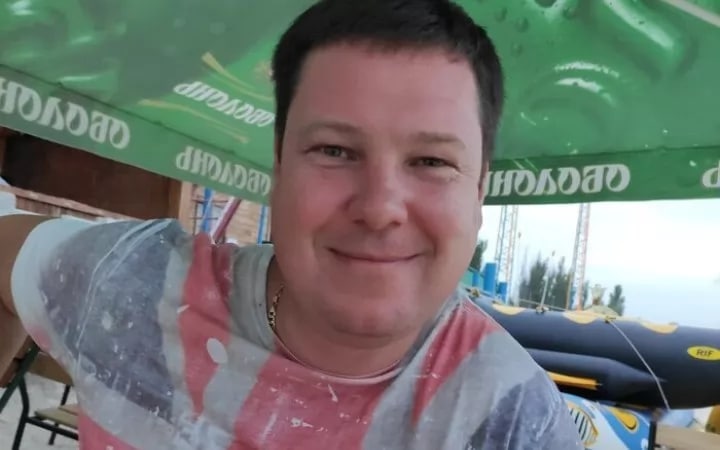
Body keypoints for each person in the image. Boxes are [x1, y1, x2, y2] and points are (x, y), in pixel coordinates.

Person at [0, 0, 582, 448]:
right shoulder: (137, 287)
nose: (380, 207)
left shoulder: (511, 421)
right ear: (278, 167)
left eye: (432, 161)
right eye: (334, 150)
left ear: (479, 191)